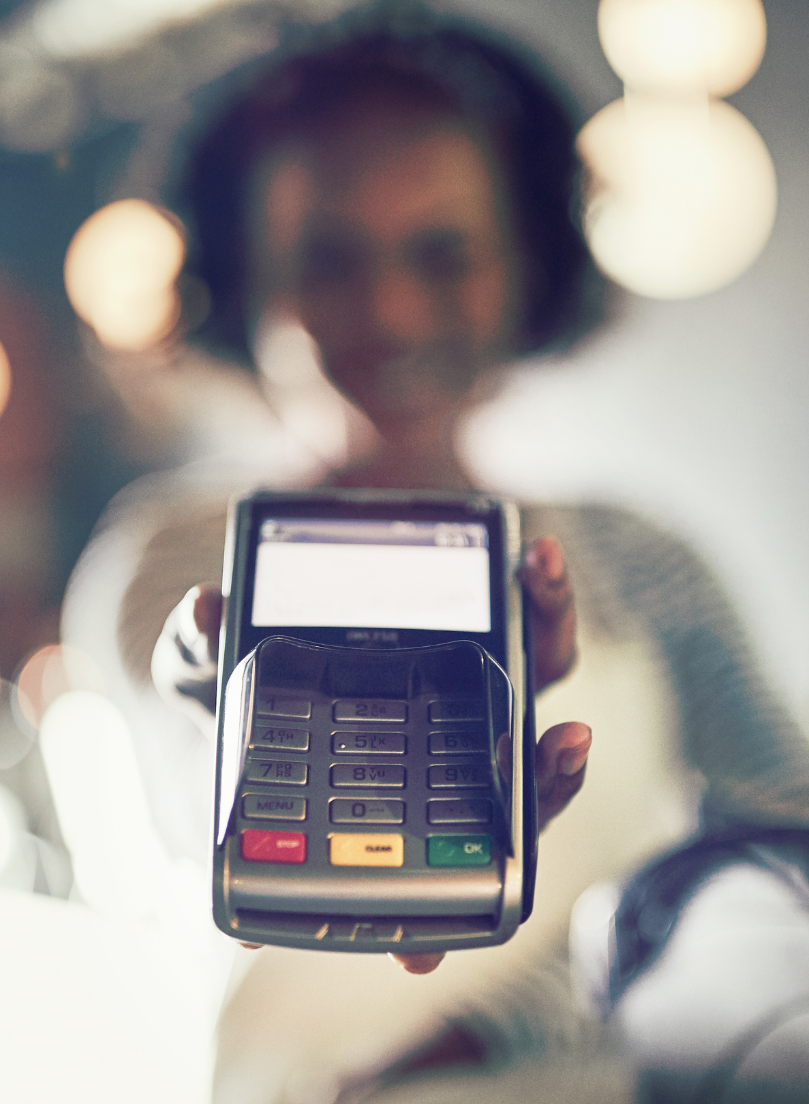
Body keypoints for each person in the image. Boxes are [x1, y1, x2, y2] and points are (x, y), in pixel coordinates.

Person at [62, 1, 809, 1099]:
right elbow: (187, 800)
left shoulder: (640, 561)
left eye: (442, 252)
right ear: (247, 282)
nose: (391, 310)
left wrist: (498, 1018)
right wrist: (219, 712)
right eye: (326, 258)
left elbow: (778, 844)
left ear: (521, 269)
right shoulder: (176, 553)